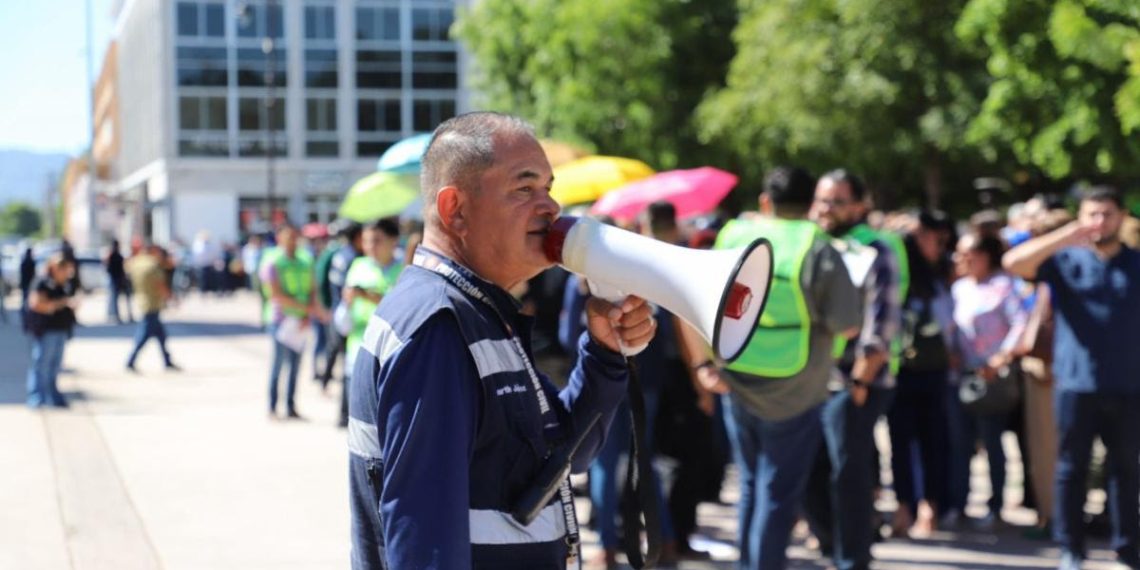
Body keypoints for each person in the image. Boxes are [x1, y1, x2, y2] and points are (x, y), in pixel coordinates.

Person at [347, 112, 655, 569]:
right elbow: (424, 546)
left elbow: (562, 455)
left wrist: (605, 353)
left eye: (549, 188)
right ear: (455, 209)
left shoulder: (478, 313)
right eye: (524, 188)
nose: (551, 207)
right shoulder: (439, 326)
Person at [680, 166, 861, 569]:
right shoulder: (819, 246)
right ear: (811, 203)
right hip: (796, 387)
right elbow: (847, 323)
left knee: (749, 485)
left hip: (734, 375)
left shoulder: (732, 236)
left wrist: (703, 366)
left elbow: (696, 303)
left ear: (766, 201)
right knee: (777, 493)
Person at [1004, 186, 1140, 570]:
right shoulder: (1066, 260)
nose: (1100, 222)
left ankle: (1128, 548)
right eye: (1092, 214)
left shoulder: (1135, 263)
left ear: (1121, 217)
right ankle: (1071, 549)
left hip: (1129, 384)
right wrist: (1068, 233)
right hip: (1076, 384)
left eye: (1107, 214)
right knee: (1071, 469)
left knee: (1126, 469)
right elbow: (1014, 263)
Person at [803, 169, 901, 570]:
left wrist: (861, 378)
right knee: (809, 470)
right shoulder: (811, 245)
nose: (827, 208)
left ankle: (852, 559)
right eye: (822, 199)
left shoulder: (875, 249)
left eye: (837, 201)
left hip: (855, 379)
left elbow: (882, 321)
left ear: (861, 206)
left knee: (848, 474)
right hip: (809, 380)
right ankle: (829, 545)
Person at [947, 231, 1027, 529]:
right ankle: (959, 504)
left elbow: (1020, 323)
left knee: (993, 443)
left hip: (993, 379)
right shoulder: (959, 289)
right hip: (963, 376)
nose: (962, 260)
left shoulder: (1005, 287)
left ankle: (996, 506)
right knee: (960, 444)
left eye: (969, 254)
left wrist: (1001, 358)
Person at [887, 210, 956, 537]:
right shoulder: (896, 275)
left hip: (933, 369)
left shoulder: (943, 273)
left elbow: (949, 323)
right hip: (902, 369)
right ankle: (904, 505)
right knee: (901, 442)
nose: (936, 244)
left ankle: (929, 506)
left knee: (933, 442)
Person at [339, 218, 403, 427]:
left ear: (393, 240)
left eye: (377, 240)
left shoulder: (404, 270)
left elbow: (401, 306)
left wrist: (368, 295)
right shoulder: (358, 266)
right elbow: (345, 305)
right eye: (366, 241)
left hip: (391, 355)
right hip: (358, 349)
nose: (370, 247)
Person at [261, 223, 319, 420]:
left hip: (300, 320)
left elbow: (312, 289)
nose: (292, 241)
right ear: (280, 238)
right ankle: (272, 406)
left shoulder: (305, 260)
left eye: (295, 236)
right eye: (288, 236)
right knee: (279, 364)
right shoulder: (273, 261)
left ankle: (291, 406)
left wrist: (306, 313)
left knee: (295, 365)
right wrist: (305, 309)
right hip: (281, 320)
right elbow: (275, 294)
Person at [24, 254, 77, 408]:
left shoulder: (64, 285)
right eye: (63, 269)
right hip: (46, 330)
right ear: (54, 268)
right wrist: (59, 304)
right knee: (41, 365)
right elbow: (36, 304)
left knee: (54, 366)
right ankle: (36, 397)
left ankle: (53, 396)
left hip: (61, 329)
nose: (66, 273)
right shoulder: (42, 283)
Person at [317, 221, 363, 389]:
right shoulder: (354, 258)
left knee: (334, 349)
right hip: (345, 311)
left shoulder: (339, 253)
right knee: (345, 358)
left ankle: (325, 380)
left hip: (336, 308)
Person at [124, 243, 180, 372]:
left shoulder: (136, 262)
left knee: (161, 335)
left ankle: (167, 360)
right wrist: (171, 298)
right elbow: (160, 284)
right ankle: (131, 360)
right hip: (152, 303)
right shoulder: (153, 266)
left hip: (142, 300)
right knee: (143, 335)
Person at [105, 239, 133, 324]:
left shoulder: (116, 256)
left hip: (118, 279)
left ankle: (118, 315)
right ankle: (114, 315)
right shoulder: (113, 256)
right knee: (113, 298)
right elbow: (109, 269)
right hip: (115, 279)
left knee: (115, 298)